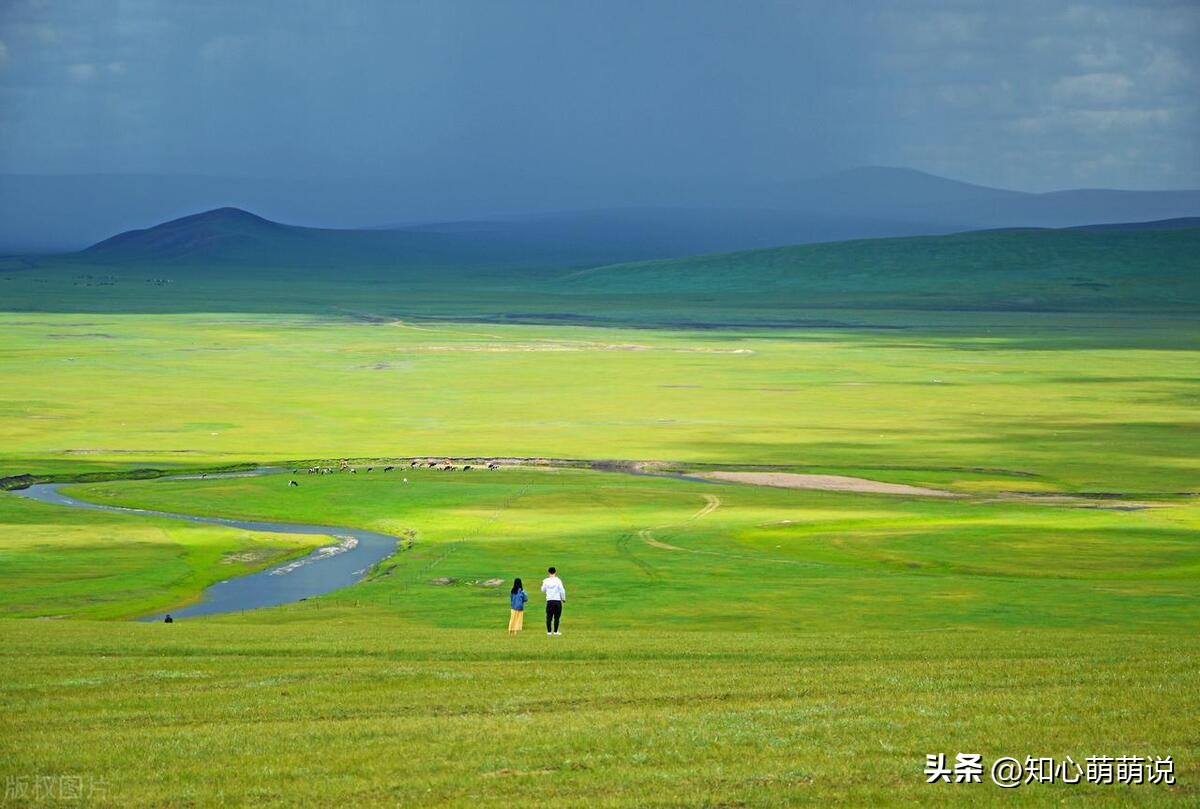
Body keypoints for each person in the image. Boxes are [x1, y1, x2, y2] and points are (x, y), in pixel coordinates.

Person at [540, 566, 566, 636]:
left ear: (548, 572)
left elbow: (542, 589)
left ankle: (549, 632)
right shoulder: (558, 580)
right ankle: (555, 631)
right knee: (557, 617)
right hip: (557, 600)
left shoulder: (546, 581)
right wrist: (563, 599)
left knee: (549, 617)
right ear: (555, 572)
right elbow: (562, 591)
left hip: (549, 601)